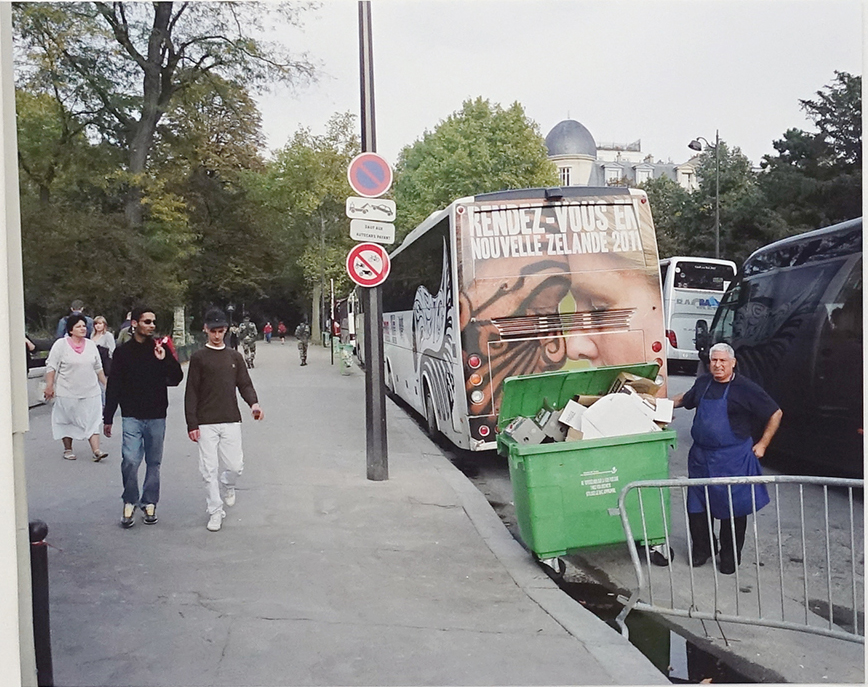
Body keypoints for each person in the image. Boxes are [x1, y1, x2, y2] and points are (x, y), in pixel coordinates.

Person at [672, 343, 783, 575]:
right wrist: (659, 405)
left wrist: (763, 444)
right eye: (714, 360)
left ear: (733, 363)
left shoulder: (746, 388)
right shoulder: (703, 383)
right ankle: (702, 549)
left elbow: (775, 412)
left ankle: (730, 556)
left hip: (733, 458)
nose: (718, 365)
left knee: (732, 509)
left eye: (723, 360)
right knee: (697, 507)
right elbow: (686, 399)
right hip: (701, 457)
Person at [104, 308, 184, 528]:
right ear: (135, 323)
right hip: (132, 414)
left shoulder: (159, 348)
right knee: (130, 460)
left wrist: (164, 359)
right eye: (147, 321)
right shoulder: (123, 352)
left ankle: (149, 502)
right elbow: (114, 385)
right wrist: (108, 416)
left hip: (156, 414)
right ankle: (130, 500)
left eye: (153, 322)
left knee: (153, 462)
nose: (151, 326)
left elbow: (176, 377)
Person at [185, 308, 264, 532]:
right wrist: (192, 423)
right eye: (213, 331)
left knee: (235, 466)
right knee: (208, 469)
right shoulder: (199, 358)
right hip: (205, 421)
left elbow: (244, 384)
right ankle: (215, 510)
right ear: (206, 330)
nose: (217, 335)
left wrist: (254, 404)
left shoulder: (234, 357)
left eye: (221, 331)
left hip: (230, 418)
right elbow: (191, 392)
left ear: (226, 330)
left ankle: (228, 484)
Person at [44, 314, 108, 461]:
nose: (83, 329)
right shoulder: (61, 345)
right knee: (67, 420)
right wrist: (49, 385)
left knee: (93, 419)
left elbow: (98, 367)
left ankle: (96, 450)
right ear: (71, 330)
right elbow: (51, 366)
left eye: (84, 326)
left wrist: (106, 384)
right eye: (78, 326)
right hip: (67, 391)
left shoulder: (91, 345)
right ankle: (68, 449)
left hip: (90, 390)